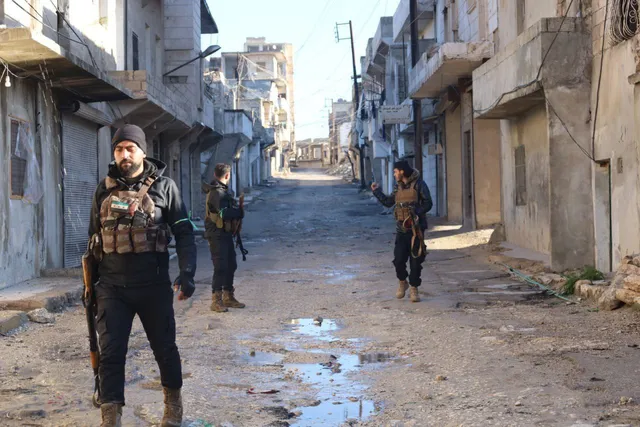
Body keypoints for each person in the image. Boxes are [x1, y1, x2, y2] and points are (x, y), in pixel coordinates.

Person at [88, 124, 197, 427]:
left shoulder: (165, 187)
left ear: (143, 152)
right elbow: (93, 240)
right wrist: (90, 288)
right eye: (119, 149)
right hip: (112, 288)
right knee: (111, 354)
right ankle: (111, 416)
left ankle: (173, 407)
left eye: (130, 148)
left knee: (165, 349)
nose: (124, 154)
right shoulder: (104, 189)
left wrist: (187, 272)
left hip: (153, 286)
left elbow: (184, 233)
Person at [371, 160, 433, 303]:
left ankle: (414, 288)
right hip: (401, 230)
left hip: (416, 230)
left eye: (395, 171)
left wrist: (416, 212)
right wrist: (376, 191)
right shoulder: (397, 187)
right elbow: (388, 202)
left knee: (416, 261)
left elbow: (428, 203)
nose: (394, 174)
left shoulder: (419, 184)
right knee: (398, 260)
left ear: (402, 171)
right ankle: (402, 281)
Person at [202, 163, 246, 313]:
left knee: (231, 264)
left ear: (215, 174)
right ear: (227, 175)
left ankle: (228, 296)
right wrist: (238, 212)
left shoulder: (222, 191)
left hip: (225, 233)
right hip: (216, 234)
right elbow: (222, 213)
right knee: (220, 267)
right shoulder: (217, 192)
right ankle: (216, 300)